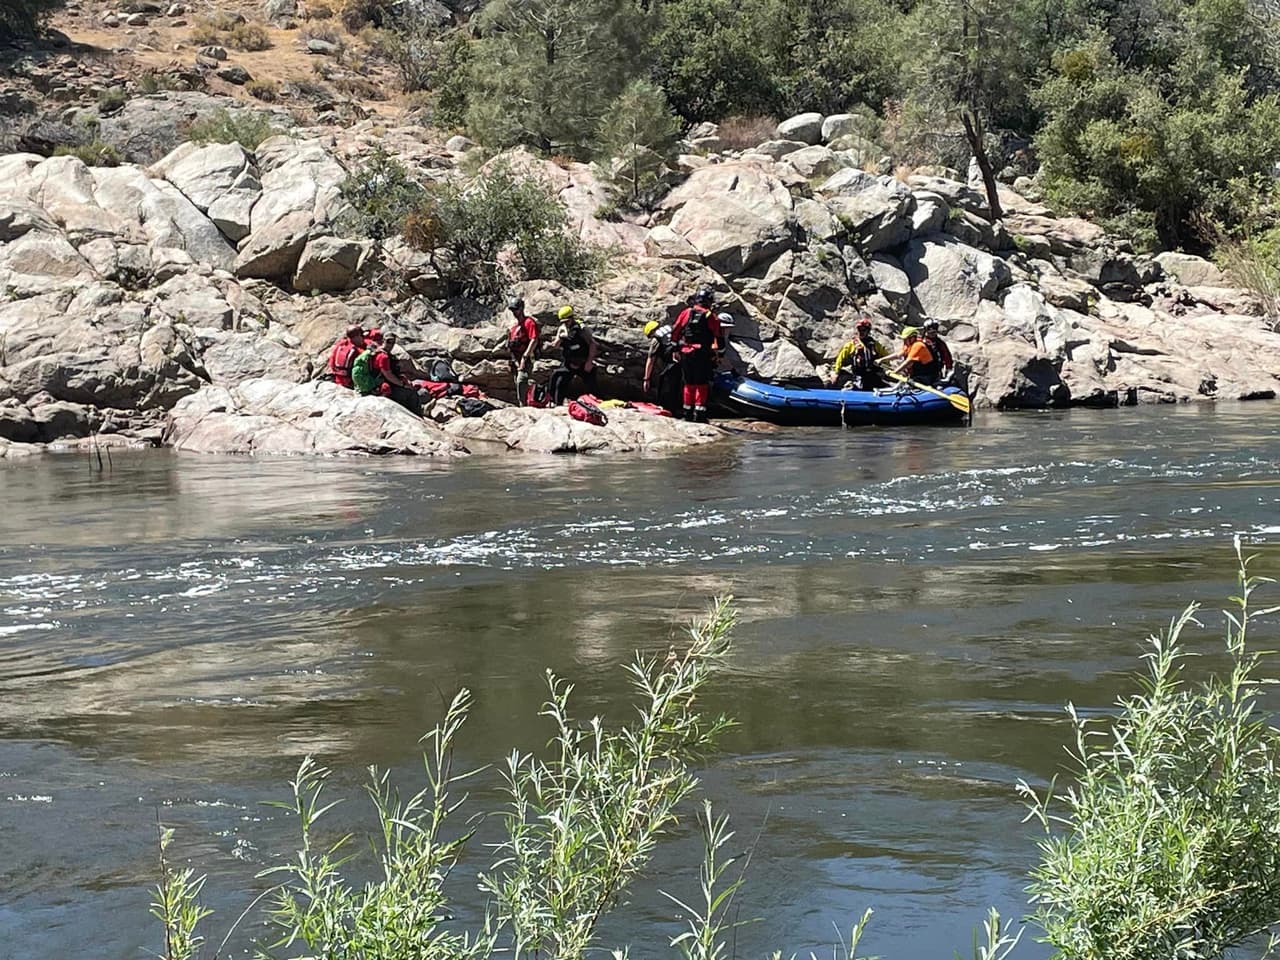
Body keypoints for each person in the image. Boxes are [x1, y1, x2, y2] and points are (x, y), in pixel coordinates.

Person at [670, 287, 724, 422]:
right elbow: (718, 336)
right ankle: (699, 415)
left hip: (686, 352)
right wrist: (720, 355)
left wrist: (675, 349)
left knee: (688, 382)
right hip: (702, 353)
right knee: (702, 383)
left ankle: (687, 413)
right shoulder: (710, 316)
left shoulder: (686, 312)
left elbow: (676, 330)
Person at [353, 331, 421, 414]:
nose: (390, 344)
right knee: (410, 393)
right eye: (388, 341)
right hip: (378, 386)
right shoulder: (383, 357)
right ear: (383, 341)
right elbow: (388, 375)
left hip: (376, 382)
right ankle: (417, 414)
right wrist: (403, 385)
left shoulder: (377, 351)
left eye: (393, 342)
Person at [549, 305, 599, 405]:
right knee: (557, 380)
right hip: (569, 363)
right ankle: (556, 403)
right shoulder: (562, 329)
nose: (565, 324)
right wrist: (560, 336)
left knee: (591, 383)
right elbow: (555, 345)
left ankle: (595, 403)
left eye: (567, 321)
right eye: (563, 322)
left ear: (572, 318)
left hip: (583, 362)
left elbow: (593, 344)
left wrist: (589, 362)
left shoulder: (581, 329)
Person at [828, 318, 888, 390]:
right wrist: (836, 372)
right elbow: (840, 359)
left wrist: (885, 368)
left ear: (868, 331)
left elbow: (886, 357)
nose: (861, 332)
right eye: (859, 330)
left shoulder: (875, 345)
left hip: (873, 373)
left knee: (884, 386)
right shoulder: (851, 345)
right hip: (858, 374)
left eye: (863, 330)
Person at [642, 319, 683, 415]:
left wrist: (646, 379)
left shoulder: (657, 338)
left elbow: (651, 359)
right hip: (684, 359)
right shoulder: (670, 328)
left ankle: (667, 410)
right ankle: (677, 409)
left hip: (671, 363)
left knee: (665, 386)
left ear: (651, 332)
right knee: (677, 387)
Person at [506, 296, 541, 406]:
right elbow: (510, 346)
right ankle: (523, 402)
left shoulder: (529, 322)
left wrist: (525, 357)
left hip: (526, 358)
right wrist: (515, 361)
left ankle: (524, 405)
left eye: (516, 309)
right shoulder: (514, 328)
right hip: (515, 359)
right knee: (518, 382)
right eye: (512, 310)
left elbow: (534, 339)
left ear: (521, 308)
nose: (514, 312)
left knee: (522, 380)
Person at [327, 325, 366, 389]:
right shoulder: (358, 351)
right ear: (356, 337)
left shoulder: (340, 344)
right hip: (349, 382)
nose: (363, 338)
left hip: (337, 378)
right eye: (361, 336)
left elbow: (331, 360)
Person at [921, 319, 954, 383]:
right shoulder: (920, 342)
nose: (932, 334)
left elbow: (947, 356)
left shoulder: (940, 343)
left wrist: (948, 368)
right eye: (930, 332)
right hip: (920, 371)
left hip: (935, 372)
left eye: (934, 332)